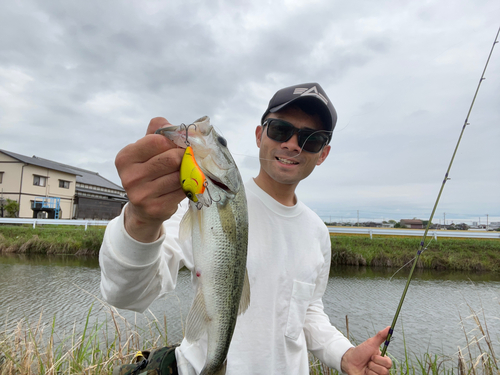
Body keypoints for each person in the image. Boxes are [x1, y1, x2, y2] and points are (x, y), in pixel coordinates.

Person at [100, 83, 393, 375]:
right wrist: (142, 220)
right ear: (258, 135)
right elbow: (127, 295)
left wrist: (344, 354)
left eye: (311, 139)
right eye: (280, 130)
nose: (292, 144)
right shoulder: (202, 201)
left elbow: (308, 311)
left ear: (323, 154)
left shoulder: (317, 231)